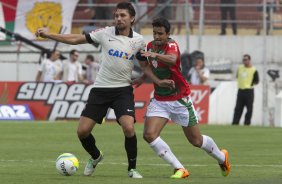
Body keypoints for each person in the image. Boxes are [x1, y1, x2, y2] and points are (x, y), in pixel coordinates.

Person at [36, 2, 168, 178]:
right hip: (100, 89)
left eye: (122, 15)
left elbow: (145, 66)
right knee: (82, 132)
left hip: (122, 90)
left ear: (132, 18)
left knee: (129, 128)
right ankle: (96, 156)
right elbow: (76, 39)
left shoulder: (138, 41)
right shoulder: (105, 33)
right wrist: (50, 35)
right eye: (116, 15)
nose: (118, 18)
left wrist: (155, 80)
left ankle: (132, 169)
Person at [133, 17, 230, 179]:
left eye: (160, 34)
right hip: (160, 99)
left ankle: (222, 157)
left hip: (179, 99)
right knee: (149, 135)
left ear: (168, 34)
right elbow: (151, 66)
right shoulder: (151, 46)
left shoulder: (172, 46)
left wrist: (153, 55)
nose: (157, 37)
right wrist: (143, 78)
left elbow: (171, 59)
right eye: (155, 33)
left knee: (196, 141)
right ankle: (179, 168)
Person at [232, 54, 259, 125]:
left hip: (249, 91)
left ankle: (247, 123)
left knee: (249, 109)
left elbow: (257, 81)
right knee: (238, 108)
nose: (244, 61)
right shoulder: (240, 68)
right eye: (243, 60)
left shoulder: (254, 70)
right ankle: (235, 123)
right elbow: (237, 76)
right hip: (240, 90)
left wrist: (250, 84)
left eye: (246, 60)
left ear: (249, 60)